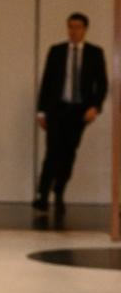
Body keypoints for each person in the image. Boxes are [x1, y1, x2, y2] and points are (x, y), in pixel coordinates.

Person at [32, 12, 108, 214]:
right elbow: (47, 82)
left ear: (85, 29)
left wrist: (95, 107)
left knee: (68, 154)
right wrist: (41, 111)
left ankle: (59, 192)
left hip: (79, 111)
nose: (73, 31)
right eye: (70, 27)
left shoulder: (95, 53)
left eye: (77, 27)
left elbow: (101, 84)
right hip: (57, 109)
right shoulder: (56, 51)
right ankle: (42, 195)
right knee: (52, 152)